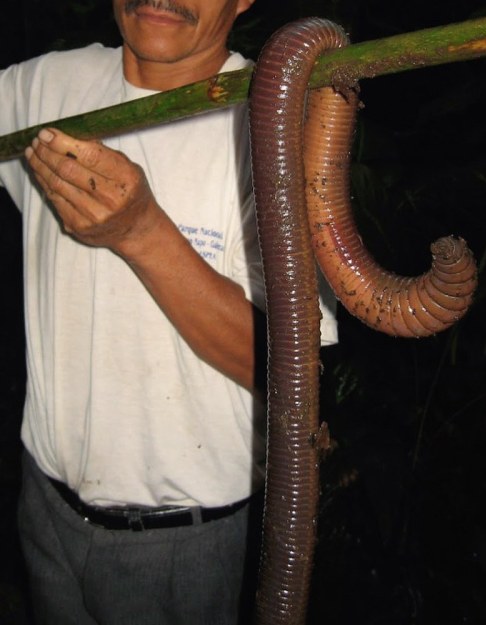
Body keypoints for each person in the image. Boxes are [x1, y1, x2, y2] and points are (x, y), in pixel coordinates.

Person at [0, 1, 339, 623]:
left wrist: (142, 232)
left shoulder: (273, 123)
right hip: (41, 508)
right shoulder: (40, 87)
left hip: (184, 544)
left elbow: (290, 370)